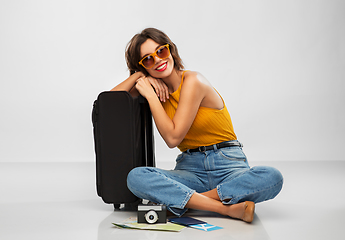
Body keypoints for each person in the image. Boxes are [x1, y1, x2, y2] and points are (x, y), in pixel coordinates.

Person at [111, 28, 283, 223]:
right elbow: (111, 102)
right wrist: (137, 77)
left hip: (228, 165)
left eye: (161, 51)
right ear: (143, 66)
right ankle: (226, 208)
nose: (158, 60)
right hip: (191, 170)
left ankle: (186, 201)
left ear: (171, 50)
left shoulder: (193, 80)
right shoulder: (152, 88)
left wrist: (149, 95)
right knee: (136, 177)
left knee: (272, 177)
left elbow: (173, 137)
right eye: (148, 59)